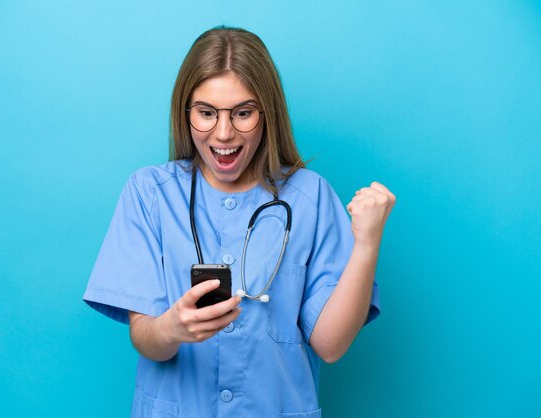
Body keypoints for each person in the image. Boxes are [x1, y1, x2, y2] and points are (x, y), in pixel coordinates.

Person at [83, 26, 395, 418]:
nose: (224, 133)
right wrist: (172, 328)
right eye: (206, 113)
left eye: (243, 113)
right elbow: (146, 339)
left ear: (268, 113)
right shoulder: (149, 193)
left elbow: (331, 345)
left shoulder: (310, 198)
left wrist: (367, 243)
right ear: (186, 112)